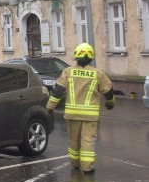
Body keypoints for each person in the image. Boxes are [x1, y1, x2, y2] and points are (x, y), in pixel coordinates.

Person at [45, 43, 115, 173]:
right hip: (90, 115)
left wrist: (50, 107)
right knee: (87, 140)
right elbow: (108, 91)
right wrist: (110, 103)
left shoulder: (68, 72)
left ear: (76, 57)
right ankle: (87, 168)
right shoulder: (97, 73)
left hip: (72, 114)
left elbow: (57, 91)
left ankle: (75, 164)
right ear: (91, 57)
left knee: (74, 140)